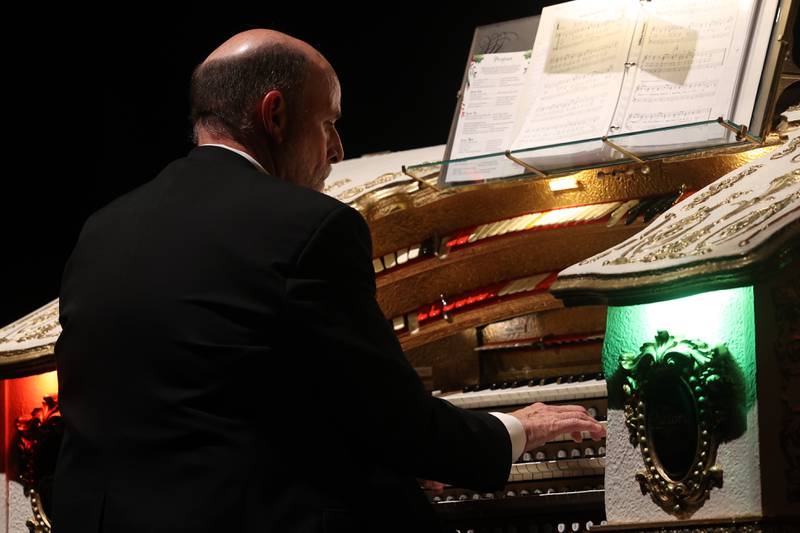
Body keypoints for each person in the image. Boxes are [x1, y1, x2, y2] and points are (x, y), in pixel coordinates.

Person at [53, 29, 605, 533]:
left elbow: (219, 400)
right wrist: (516, 429)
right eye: (329, 123)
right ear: (275, 115)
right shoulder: (309, 228)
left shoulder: (101, 231)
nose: (338, 150)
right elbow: (402, 426)